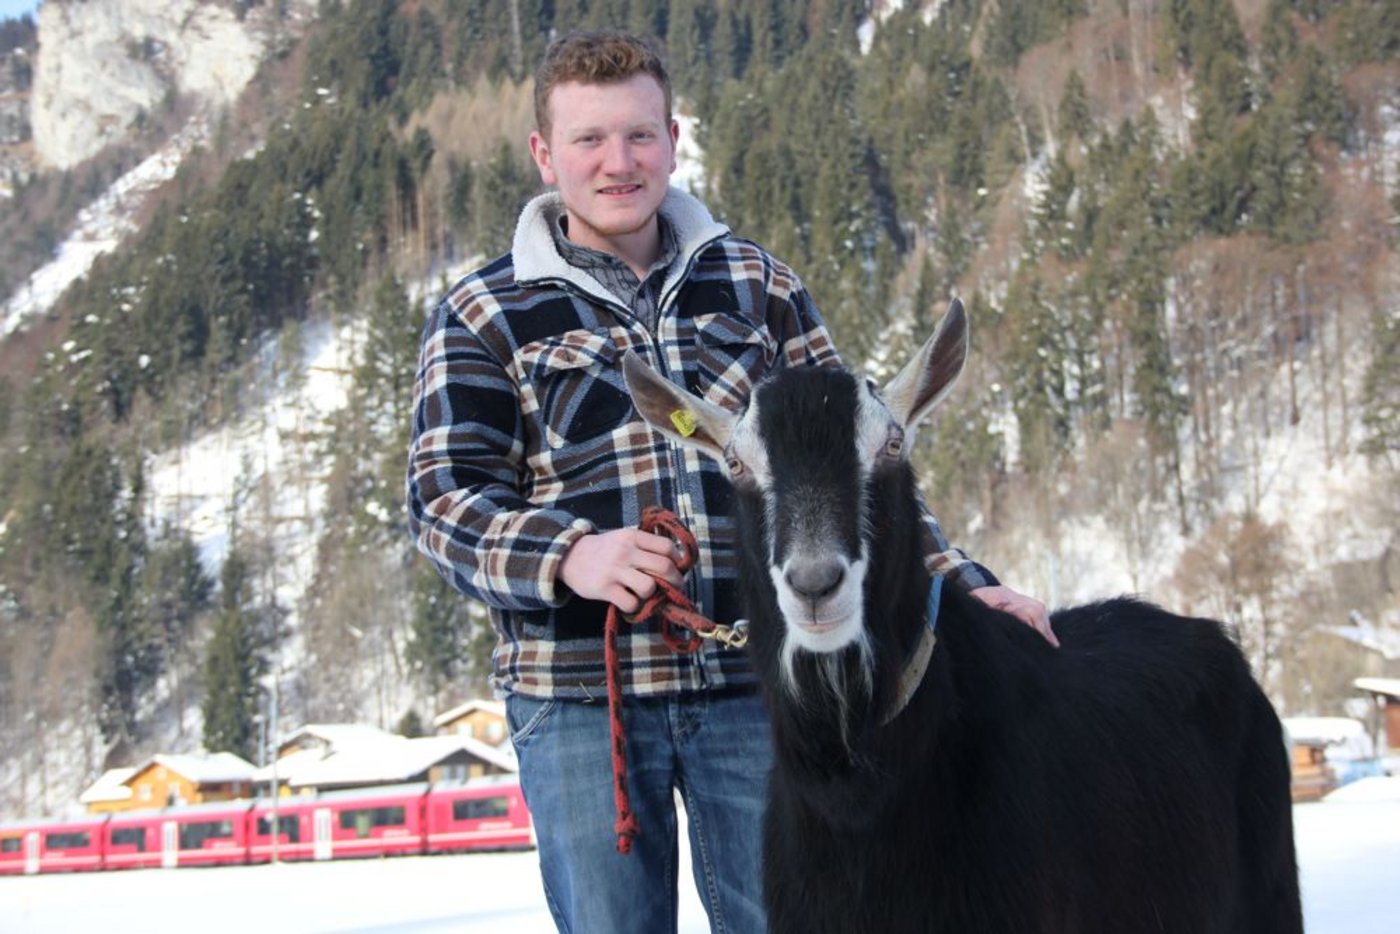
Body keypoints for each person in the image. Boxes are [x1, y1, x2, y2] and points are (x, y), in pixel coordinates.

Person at [406, 30, 1054, 934]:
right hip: (583, 702)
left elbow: (865, 461)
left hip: (758, 689)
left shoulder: (757, 284)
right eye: (590, 139)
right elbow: (442, 501)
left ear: (673, 140)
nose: (619, 162)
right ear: (544, 155)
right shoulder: (484, 311)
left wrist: (965, 585)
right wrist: (570, 555)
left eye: (640, 135)